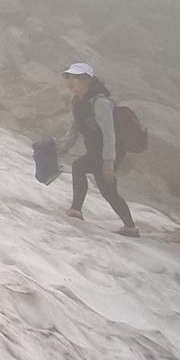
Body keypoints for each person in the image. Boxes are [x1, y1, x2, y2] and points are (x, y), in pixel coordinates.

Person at [56, 62, 139, 236]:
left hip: (110, 150)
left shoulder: (100, 102)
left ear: (87, 81)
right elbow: (75, 127)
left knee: (96, 180)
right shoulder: (77, 101)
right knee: (105, 188)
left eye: (77, 78)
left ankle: (77, 210)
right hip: (95, 150)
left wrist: (109, 164)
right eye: (69, 77)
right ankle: (129, 227)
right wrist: (63, 146)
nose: (71, 81)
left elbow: (110, 134)